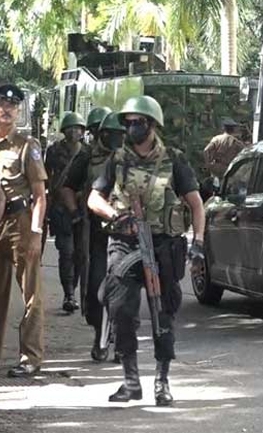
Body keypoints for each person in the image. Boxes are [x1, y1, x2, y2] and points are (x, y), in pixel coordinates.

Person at [87, 95, 205, 406]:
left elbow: (195, 204)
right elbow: (94, 198)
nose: (130, 128)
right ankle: (130, 381)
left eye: (137, 122)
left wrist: (199, 243)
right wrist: (115, 216)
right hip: (125, 243)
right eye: (127, 123)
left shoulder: (174, 160)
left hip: (163, 244)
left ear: (152, 125)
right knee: (121, 310)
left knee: (163, 313)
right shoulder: (117, 159)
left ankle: (162, 381)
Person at [0, 83, 47, 378]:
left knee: (31, 294)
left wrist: (35, 233)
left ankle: (30, 356)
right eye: (1, 105)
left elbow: (40, 194)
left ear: (18, 111)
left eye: (12, 106)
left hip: (20, 223)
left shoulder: (27, 147)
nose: (6, 110)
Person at [62, 110, 125, 361]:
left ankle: (120, 341)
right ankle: (100, 333)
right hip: (97, 234)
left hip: (127, 234)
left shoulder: (132, 157)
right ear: (102, 134)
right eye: (113, 134)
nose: (119, 138)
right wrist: (76, 213)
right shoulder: (87, 157)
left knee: (125, 290)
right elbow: (67, 187)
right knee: (97, 289)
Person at [45, 111, 86, 312]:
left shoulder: (86, 152)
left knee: (79, 254)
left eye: (78, 128)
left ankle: (74, 289)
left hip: (81, 209)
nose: (74, 132)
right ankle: (69, 294)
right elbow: (47, 178)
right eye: (70, 128)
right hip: (60, 210)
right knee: (66, 253)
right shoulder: (53, 152)